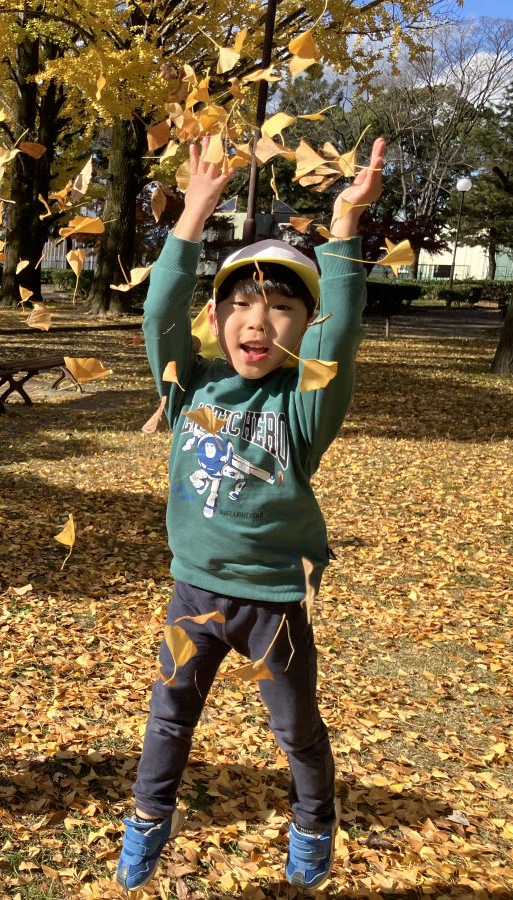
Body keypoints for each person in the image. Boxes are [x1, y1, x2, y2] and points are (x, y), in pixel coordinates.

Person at [117, 135, 387, 893]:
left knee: (296, 730)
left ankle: (313, 822)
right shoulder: (189, 388)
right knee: (169, 719)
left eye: (278, 308)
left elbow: (343, 330)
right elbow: (159, 315)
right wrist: (196, 210)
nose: (257, 322)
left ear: (303, 326)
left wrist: (343, 228)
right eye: (239, 305)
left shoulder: (302, 410)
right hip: (194, 595)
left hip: (271, 606)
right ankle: (147, 817)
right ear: (216, 316)